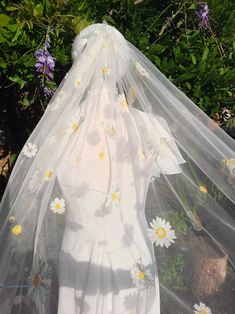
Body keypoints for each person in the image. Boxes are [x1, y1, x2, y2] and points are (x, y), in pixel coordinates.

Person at [0, 22, 234, 314]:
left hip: (80, 253)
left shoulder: (59, 132)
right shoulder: (149, 127)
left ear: (78, 66)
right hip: (132, 252)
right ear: (121, 66)